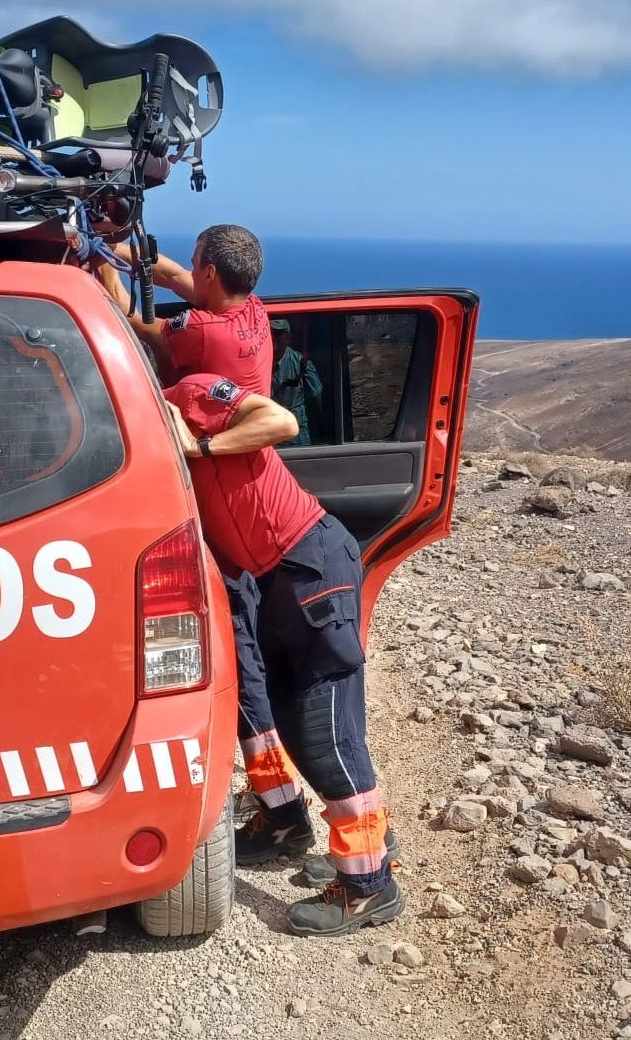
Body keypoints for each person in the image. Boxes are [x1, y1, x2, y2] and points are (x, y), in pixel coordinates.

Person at [91, 225, 315, 871]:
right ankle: (280, 802)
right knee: (250, 663)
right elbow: (170, 274)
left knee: (241, 669)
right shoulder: (249, 313)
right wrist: (119, 248)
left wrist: (102, 273)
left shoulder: (200, 333)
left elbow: (138, 327)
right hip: (249, 523)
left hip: (222, 524)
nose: (188, 271)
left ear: (211, 275)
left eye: (197, 265)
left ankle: (280, 811)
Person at [162, 372, 402, 935]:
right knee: (294, 722)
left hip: (309, 559)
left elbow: (281, 421)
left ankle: (368, 884)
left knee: (326, 733)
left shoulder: (192, 393)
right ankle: (338, 843)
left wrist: (197, 445)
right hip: (274, 579)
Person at [97, 224, 270, 393]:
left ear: (210, 273)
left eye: (194, 266)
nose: (192, 272)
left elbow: (134, 322)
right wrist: (113, 247)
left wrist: (99, 253)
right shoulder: (254, 307)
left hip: (200, 422)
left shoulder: (203, 330)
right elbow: (174, 275)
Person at [269, 319, 322, 446]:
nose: (274, 339)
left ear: (288, 337)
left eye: (278, 334)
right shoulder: (258, 363)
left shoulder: (301, 363)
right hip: (270, 434)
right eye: (271, 333)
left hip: (297, 437)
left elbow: (316, 397)